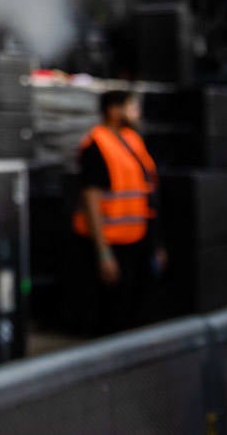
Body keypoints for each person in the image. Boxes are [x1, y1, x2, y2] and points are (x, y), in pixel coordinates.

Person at [72, 90, 167, 335]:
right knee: (112, 317)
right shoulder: (96, 145)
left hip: (137, 239)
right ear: (114, 110)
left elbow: (146, 192)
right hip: (111, 244)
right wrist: (103, 253)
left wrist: (155, 243)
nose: (137, 112)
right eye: (131, 107)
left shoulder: (131, 140)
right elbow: (91, 200)